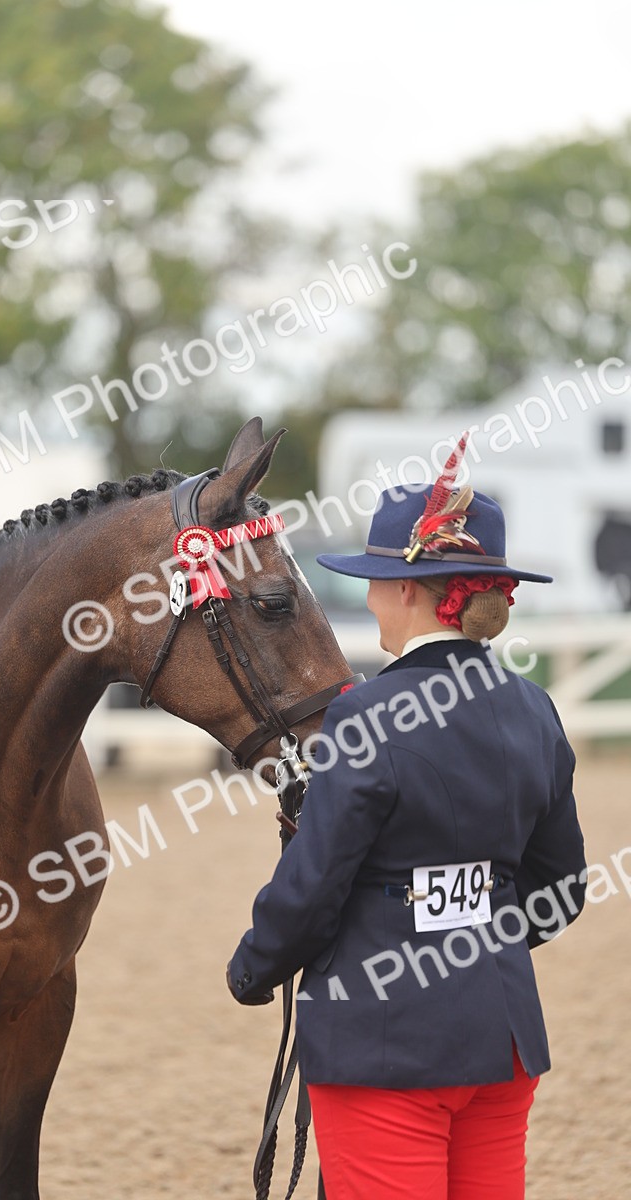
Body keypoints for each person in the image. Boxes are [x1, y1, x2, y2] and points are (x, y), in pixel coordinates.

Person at [227, 436, 587, 1200]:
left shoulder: (365, 715)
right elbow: (560, 889)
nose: (372, 598)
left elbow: (314, 882)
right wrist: (471, 921)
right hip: (503, 1036)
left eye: (380, 581)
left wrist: (255, 966)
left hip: (383, 1045)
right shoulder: (535, 708)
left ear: (413, 592)